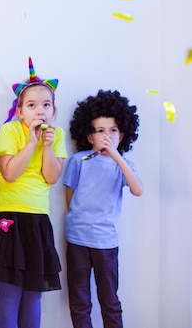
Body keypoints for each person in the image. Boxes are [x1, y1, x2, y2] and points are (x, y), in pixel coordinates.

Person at [0, 57, 67, 328]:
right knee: (9, 295)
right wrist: (31, 142)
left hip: (38, 221)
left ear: (53, 110)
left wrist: (47, 146)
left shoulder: (57, 134)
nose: (39, 111)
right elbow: (10, 173)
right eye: (32, 105)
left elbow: (51, 177)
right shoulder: (9, 130)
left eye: (46, 105)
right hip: (9, 220)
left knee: (33, 297)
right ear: (20, 111)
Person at [64, 90, 144, 328]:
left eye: (113, 130)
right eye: (100, 131)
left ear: (122, 134)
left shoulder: (123, 165)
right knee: (79, 300)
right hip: (77, 239)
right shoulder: (79, 160)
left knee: (109, 299)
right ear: (90, 137)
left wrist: (117, 157)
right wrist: (78, 220)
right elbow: (70, 195)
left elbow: (138, 190)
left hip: (106, 242)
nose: (106, 136)